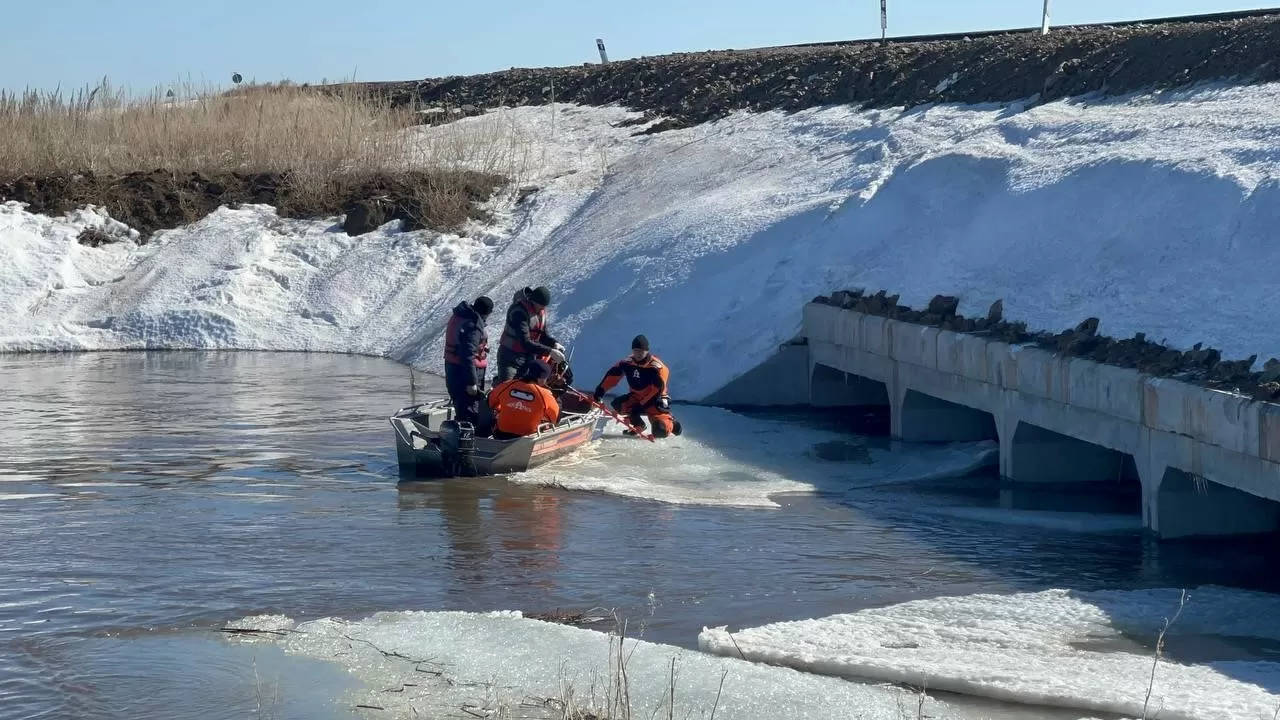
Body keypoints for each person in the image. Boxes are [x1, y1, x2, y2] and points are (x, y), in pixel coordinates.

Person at [591, 335, 683, 439]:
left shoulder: (657, 368)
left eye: (641, 351)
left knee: (660, 430)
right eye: (635, 350)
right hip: (637, 396)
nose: (638, 354)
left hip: (656, 400)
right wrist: (599, 392)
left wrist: (640, 406)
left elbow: (656, 391)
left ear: (647, 351)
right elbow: (612, 377)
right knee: (619, 404)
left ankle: (673, 424)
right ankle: (638, 425)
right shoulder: (627, 363)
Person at [442, 295, 494, 427]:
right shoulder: (473, 325)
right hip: (466, 372)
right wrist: (472, 382)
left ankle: (459, 435)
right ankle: (467, 442)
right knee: (469, 410)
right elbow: (468, 355)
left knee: (462, 407)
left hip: (452, 368)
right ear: (486, 313)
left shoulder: (460, 315)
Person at [496, 286, 566, 383]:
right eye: (540, 305)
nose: (542, 309)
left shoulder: (541, 312)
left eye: (544, 306)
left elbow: (543, 335)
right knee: (507, 387)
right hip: (510, 356)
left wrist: (554, 344)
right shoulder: (519, 312)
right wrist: (550, 351)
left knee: (524, 388)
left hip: (528, 357)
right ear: (533, 301)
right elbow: (525, 342)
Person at [487, 358, 561, 439]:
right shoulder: (545, 394)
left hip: (501, 434)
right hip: (527, 438)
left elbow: (490, 402)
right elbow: (556, 418)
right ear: (541, 378)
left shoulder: (507, 385)